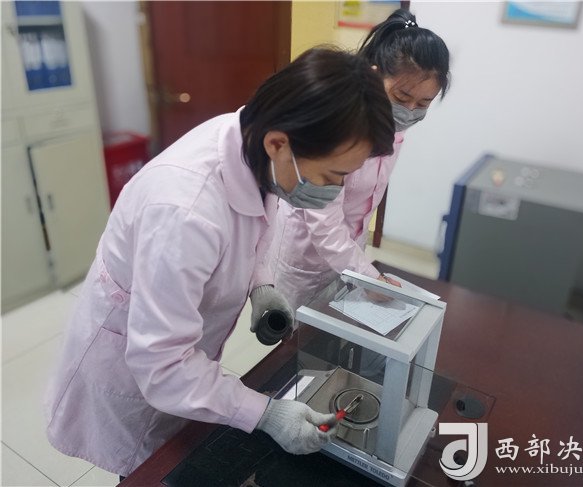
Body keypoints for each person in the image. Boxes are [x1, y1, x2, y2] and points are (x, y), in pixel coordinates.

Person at [43, 47, 395, 478]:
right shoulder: (184, 213)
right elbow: (163, 366)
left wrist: (261, 285)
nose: (333, 192)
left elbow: (253, 226)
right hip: (136, 371)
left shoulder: (254, 145)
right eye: (330, 177)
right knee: (148, 472)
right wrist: (266, 413)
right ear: (279, 144)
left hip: (176, 355)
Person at [269, 9, 451, 313]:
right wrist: (368, 277)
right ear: (375, 75)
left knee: (336, 327)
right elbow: (324, 222)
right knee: (297, 332)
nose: (410, 110)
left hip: (349, 252)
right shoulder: (339, 128)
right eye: (402, 97)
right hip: (305, 254)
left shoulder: (393, 127)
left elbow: (364, 203)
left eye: (423, 103)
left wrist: (361, 267)